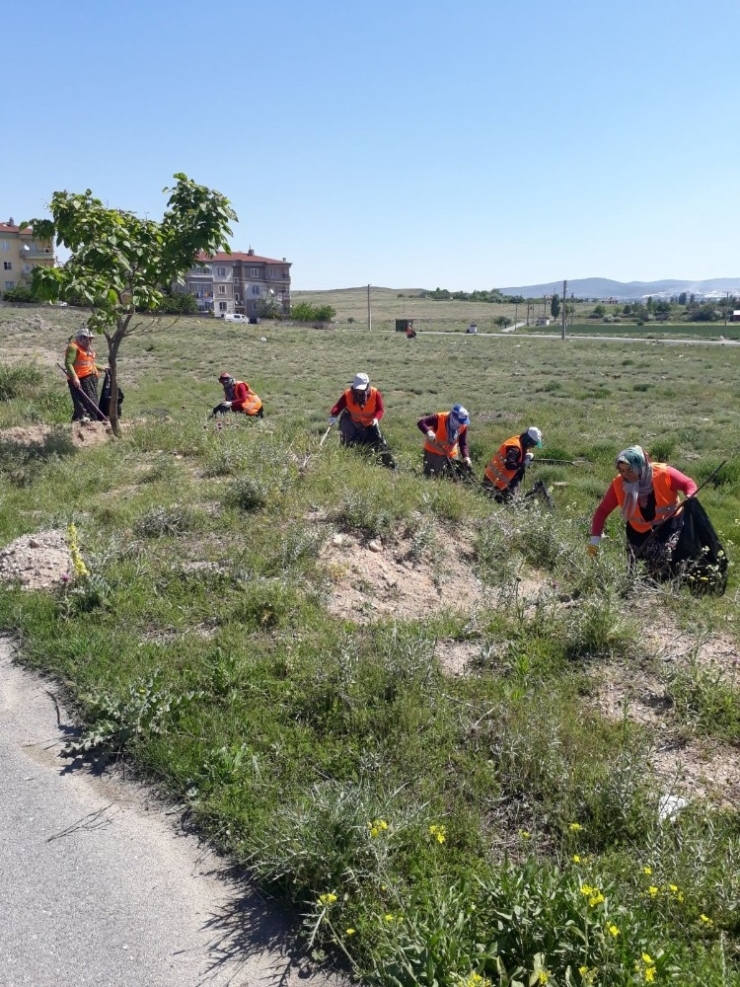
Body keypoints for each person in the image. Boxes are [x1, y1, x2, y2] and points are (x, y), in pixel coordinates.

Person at [589, 445, 697, 579]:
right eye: (622, 470)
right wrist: (594, 542)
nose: (626, 475)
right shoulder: (619, 483)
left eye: (630, 469)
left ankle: (670, 589)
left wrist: (691, 495)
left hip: (668, 526)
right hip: (637, 531)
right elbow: (602, 511)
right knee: (635, 573)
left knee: (664, 563)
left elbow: (688, 483)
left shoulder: (664, 473)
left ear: (641, 465)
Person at [328, 372, 395, 468]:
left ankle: (387, 466)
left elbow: (380, 410)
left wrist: (376, 418)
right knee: (349, 442)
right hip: (352, 421)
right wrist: (333, 415)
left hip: (369, 424)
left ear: (367, 385)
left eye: (361, 389)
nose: (359, 391)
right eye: (357, 389)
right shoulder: (348, 394)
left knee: (377, 443)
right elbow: (338, 406)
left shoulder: (375, 394)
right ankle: (348, 463)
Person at [483, 427, 543, 502]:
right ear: (528, 441)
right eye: (533, 444)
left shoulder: (520, 440)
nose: (533, 446)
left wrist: (529, 456)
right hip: (495, 482)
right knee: (508, 505)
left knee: (512, 502)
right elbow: (509, 464)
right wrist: (523, 464)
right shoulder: (515, 448)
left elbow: (520, 456)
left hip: (499, 479)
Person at [64, 327, 107, 422]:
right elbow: (68, 363)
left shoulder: (88, 349)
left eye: (90, 339)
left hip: (90, 378)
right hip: (80, 379)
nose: (89, 341)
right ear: (81, 338)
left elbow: (90, 363)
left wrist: (103, 368)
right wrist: (75, 378)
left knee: (90, 402)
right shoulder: (73, 347)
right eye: (88, 338)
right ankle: (86, 419)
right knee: (87, 403)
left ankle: (78, 421)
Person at [417, 404, 472, 478]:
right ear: (453, 418)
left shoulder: (463, 425)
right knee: (431, 477)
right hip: (434, 453)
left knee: (451, 478)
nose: (462, 424)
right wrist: (428, 432)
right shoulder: (439, 417)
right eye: (460, 422)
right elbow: (421, 423)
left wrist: (466, 457)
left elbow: (463, 443)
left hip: (451, 454)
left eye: (463, 422)